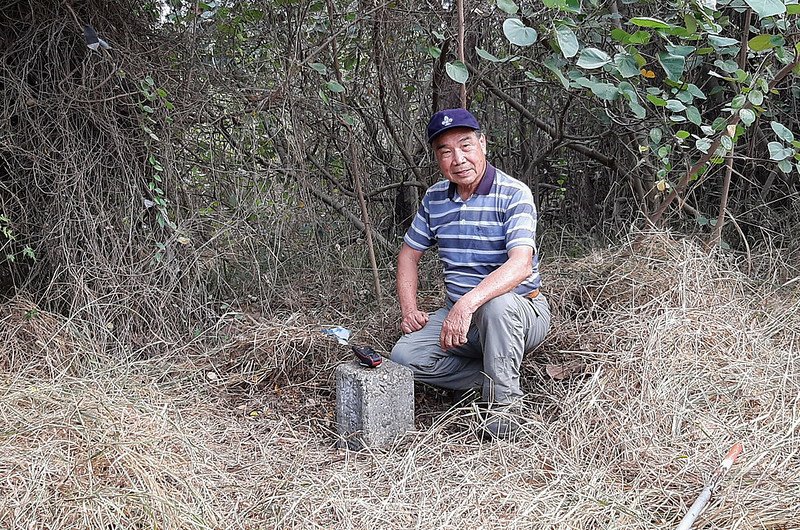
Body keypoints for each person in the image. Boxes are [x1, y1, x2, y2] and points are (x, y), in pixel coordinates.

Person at [390, 108, 551, 439]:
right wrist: (409, 310)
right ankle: (492, 376)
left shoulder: (513, 193)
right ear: (437, 158)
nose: (458, 159)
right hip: (459, 316)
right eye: (445, 152)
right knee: (404, 356)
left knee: (497, 306)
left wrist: (466, 305)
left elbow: (520, 264)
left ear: (483, 144)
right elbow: (409, 254)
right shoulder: (435, 198)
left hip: (520, 312)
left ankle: (504, 419)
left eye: (465, 146)